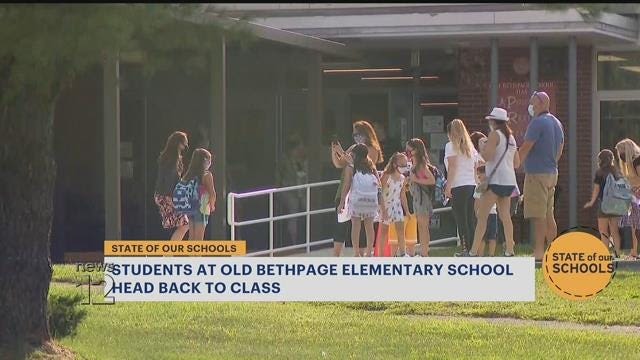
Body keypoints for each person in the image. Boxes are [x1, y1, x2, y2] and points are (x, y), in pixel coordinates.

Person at [518, 91, 564, 262]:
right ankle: (554, 251)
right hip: (552, 173)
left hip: (536, 174)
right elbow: (560, 149)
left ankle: (538, 253)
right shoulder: (557, 123)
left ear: (543, 103)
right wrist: (551, 163)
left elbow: (526, 147)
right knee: (549, 215)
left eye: (533, 103)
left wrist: (515, 163)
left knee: (538, 216)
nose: (531, 106)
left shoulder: (537, 123)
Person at [467, 107, 520, 257]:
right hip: (509, 181)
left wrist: (482, 150)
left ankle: (472, 251)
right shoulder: (511, 138)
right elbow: (516, 163)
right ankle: (510, 249)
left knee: (481, 216)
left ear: (493, 121)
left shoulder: (494, 135)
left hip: (495, 181)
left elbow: (487, 157)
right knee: (505, 216)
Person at [331, 120, 384, 256]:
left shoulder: (369, 151)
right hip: (364, 198)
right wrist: (336, 151)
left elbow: (354, 167)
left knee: (358, 225)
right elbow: (340, 163)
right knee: (361, 225)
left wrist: (342, 153)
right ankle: (364, 252)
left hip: (357, 196)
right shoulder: (360, 155)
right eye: (354, 134)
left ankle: (359, 252)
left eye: (358, 134)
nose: (355, 137)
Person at [338, 144, 382, 257]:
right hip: (371, 201)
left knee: (355, 226)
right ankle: (368, 252)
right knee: (369, 226)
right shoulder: (371, 166)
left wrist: (342, 202)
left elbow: (347, 185)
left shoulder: (351, 167)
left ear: (354, 154)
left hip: (357, 201)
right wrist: (380, 202)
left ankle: (357, 253)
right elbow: (379, 184)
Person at [444, 119, 478, 256]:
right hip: (471, 185)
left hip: (458, 185)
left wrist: (448, 187)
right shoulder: (471, 148)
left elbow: (452, 167)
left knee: (460, 219)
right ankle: (472, 250)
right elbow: (475, 167)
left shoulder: (450, 146)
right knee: (470, 219)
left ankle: (465, 249)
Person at [583, 149, 624, 253]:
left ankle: (605, 253)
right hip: (615, 204)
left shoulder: (599, 173)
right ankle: (617, 253)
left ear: (600, 160)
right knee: (615, 230)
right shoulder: (617, 171)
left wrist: (592, 202)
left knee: (603, 231)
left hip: (603, 204)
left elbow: (596, 189)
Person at [154, 131, 190, 240]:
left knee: (182, 224)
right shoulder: (173, 160)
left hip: (163, 195)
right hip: (167, 196)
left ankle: (169, 253)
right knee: (184, 224)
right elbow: (170, 180)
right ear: (178, 143)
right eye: (184, 144)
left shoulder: (168, 157)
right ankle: (169, 253)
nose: (184, 147)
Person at [276, 135, 308, 245]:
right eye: (298, 149)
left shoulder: (306, 161)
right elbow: (279, 180)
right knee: (293, 211)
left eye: (301, 148)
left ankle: (310, 240)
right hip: (290, 192)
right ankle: (293, 243)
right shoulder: (285, 161)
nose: (300, 151)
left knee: (309, 209)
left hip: (303, 191)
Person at [406, 138, 436, 257]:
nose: (408, 152)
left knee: (423, 227)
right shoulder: (414, 164)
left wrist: (415, 179)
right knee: (422, 227)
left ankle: (424, 253)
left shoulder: (421, 164)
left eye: (410, 149)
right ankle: (424, 252)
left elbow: (431, 180)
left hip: (422, 199)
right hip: (417, 198)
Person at [178, 148, 216, 240]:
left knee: (191, 236)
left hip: (190, 208)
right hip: (202, 208)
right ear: (205, 161)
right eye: (209, 160)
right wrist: (212, 205)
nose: (210, 162)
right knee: (199, 237)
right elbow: (212, 193)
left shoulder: (188, 175)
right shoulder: (207, 175)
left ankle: (191, 254)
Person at [379, 152, 411, 257]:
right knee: (384, 231)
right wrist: (383, 210)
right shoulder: (386, 176)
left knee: (401, 229)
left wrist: (407, 211)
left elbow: (402, 195)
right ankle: (382, 256)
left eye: (405, 165)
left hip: (396, 206)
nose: (404, 167)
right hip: (386, 205)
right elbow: (380, 193)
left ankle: (403, 253)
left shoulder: (402, 178)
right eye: (402, 165)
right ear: (394, 165)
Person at [615, 138, 640, 259]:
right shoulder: (630, 165)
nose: (621, 156)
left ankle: (634, 252)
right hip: (635, 199)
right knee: (633, 225)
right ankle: (634, 252)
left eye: (622, 152)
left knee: (635, 225)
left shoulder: (637, 161)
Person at [474, 165, 499, 256]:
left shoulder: (493, 186)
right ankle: (480, 256)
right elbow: (477, 201)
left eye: (481, 173)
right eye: (478, 174)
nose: (478, 176)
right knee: (482, 237)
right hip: (482, 214)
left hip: (493, 213)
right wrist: (477, 213)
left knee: (492, 236)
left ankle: (491, 255)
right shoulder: (478, 187)